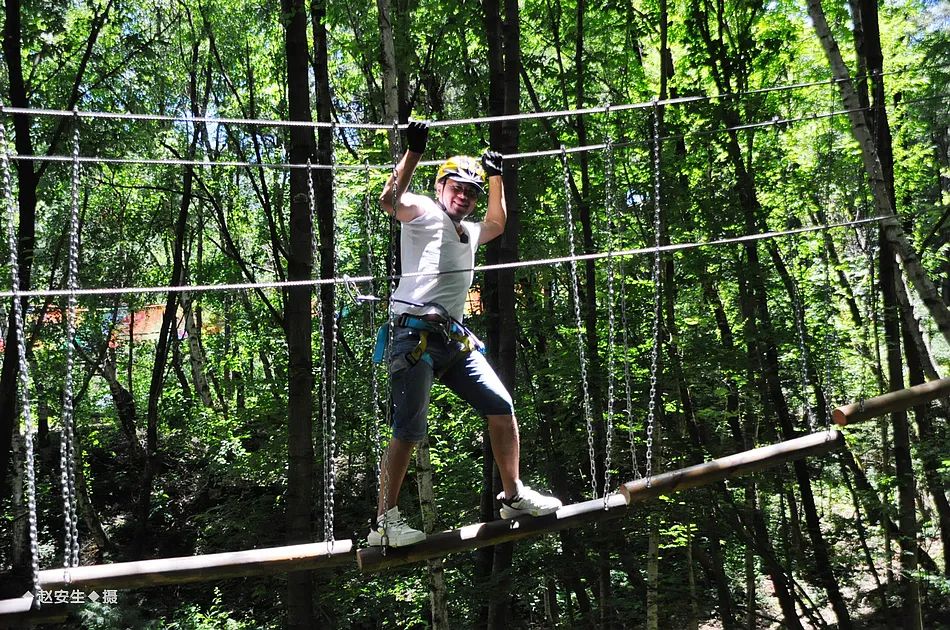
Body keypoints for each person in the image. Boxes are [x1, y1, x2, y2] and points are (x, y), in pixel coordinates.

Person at [367, 120, 562, 547]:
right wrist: (414, 153)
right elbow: (388, 200)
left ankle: (512, 496)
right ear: (441, 187)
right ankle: (384, 522)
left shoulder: (469, 232)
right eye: (457, 187)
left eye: (470, 193)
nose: (464, 196)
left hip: (452, 339)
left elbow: (497, 223)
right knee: (408, 429)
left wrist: (495, 178)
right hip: (413, 335)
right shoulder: (421, 210)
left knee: (501, 404)